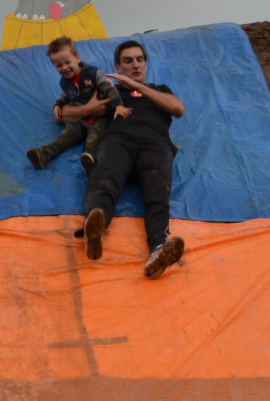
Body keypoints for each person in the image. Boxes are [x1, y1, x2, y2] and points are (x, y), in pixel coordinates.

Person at [60, 40, 186, 279]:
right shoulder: (109, 91)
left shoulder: (159, 90)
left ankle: (158, 251)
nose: (135, 65)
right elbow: (64, 113)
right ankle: (94, 229)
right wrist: (87, 108)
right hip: (119, 139)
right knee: (104, 180)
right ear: (117, 67)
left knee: (158, 193)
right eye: (128, 61)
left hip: (155, 143)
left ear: (146, 65)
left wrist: (136, 86)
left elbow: (178, 109)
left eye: (140, 60)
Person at [26, 37, 129, 177]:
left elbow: (110, 89)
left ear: (77, 58)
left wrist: (118, 106)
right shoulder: (64, 82)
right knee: (65, 137)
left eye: (67, 62)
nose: (64, 68)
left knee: (94, 137)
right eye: (59, 65)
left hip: (100, 117)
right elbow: (66, 95)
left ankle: (91, 162)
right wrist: (58, 105)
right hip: (80, 119)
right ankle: (44, 155)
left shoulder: (93, 74)